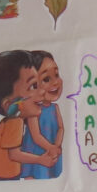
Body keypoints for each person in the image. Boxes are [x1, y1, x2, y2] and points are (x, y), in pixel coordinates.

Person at [0, 49, 59, 180]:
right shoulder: (14, 122)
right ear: (9, 105)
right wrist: (40, 160)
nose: (42, 91)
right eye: (33, 86)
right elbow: (14, 155)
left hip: (5, 175)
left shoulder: (20, 120)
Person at [19, 51, 64, 180]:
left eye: (56, 75)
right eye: (46, 79)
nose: (55, 82)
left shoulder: (55, 108)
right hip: (36, 153)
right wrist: (50, 148)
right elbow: (36, 135)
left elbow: (61, 128)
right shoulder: (33, 110)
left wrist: (57, 145)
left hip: (52, 152)